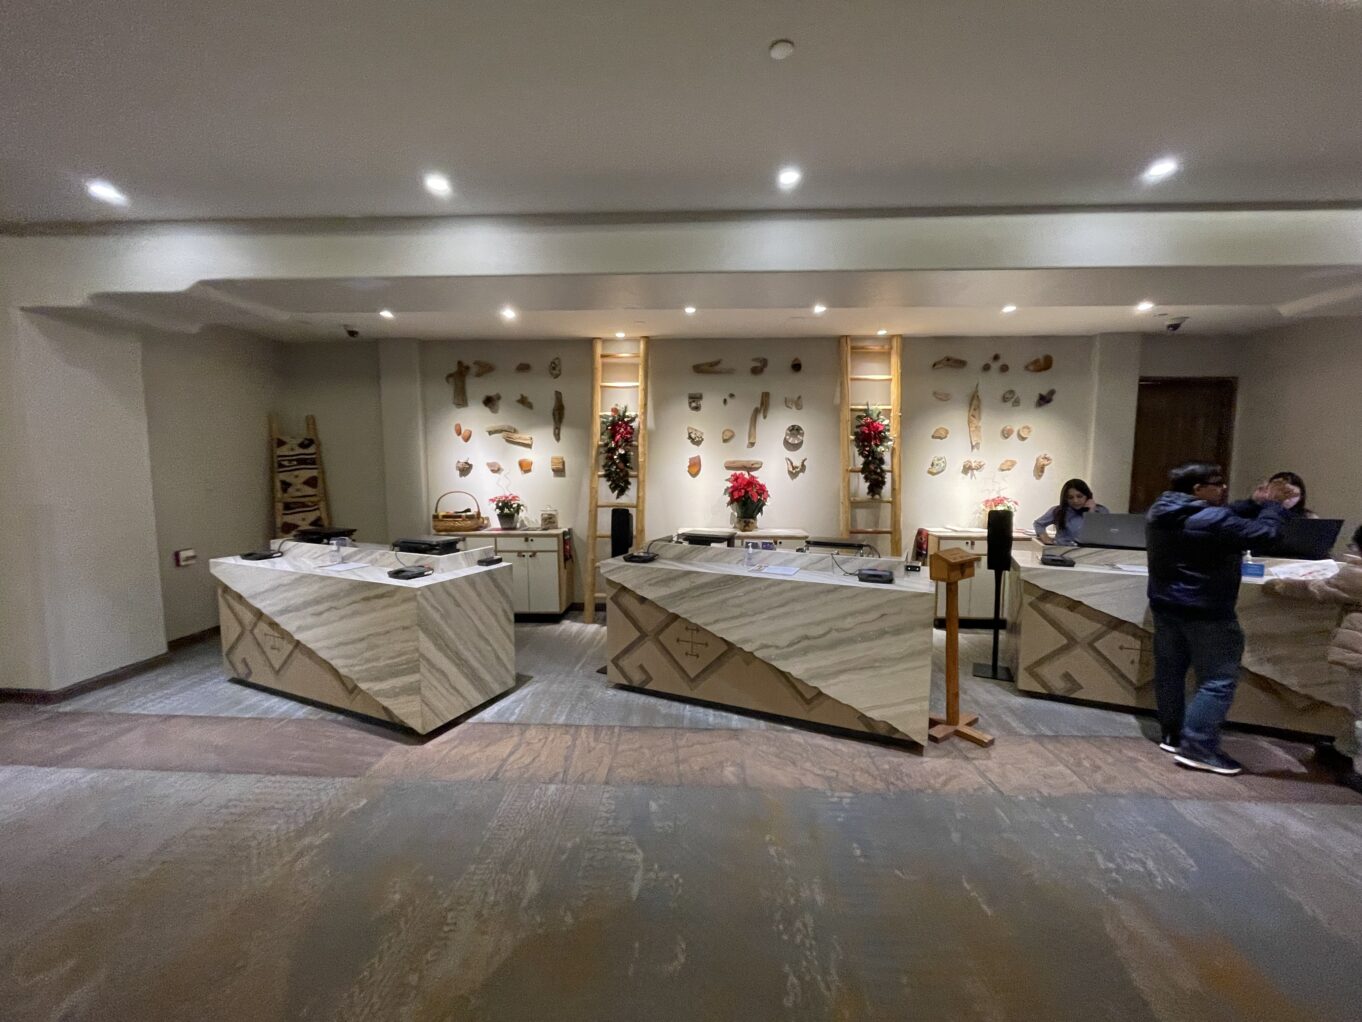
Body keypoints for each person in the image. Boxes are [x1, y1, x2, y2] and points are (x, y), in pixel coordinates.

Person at [1145, 463, 1298, 775]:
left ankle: (1173, 735)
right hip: (1206, 610)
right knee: (1218, 679)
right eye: (1216, 484)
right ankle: (1198, 747)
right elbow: (1266, 535)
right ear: (1197, 490)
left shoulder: (1161, 510)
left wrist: (1253, 503)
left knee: (1170, 673)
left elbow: (1210, 517)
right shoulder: (1213, 518)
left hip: (1166, 606)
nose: (1223, 488)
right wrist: (1272, 506)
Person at [1264, 523, 1362, 793]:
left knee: (1360, 711)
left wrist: (1277, 585)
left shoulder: (1356, 573)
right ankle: (1343, 750)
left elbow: (1317, 590)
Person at [1033, 478, 1108, 545]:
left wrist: (1092, 512)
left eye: (1079, 496)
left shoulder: (1101, 510)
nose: (1075, 501)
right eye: (1070, 497)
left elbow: (1105, 535)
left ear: (1087, 496)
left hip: (1091, 553)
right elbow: (1038, 524)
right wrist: (1046, 539)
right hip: (1062, 552)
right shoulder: (1058, 511)